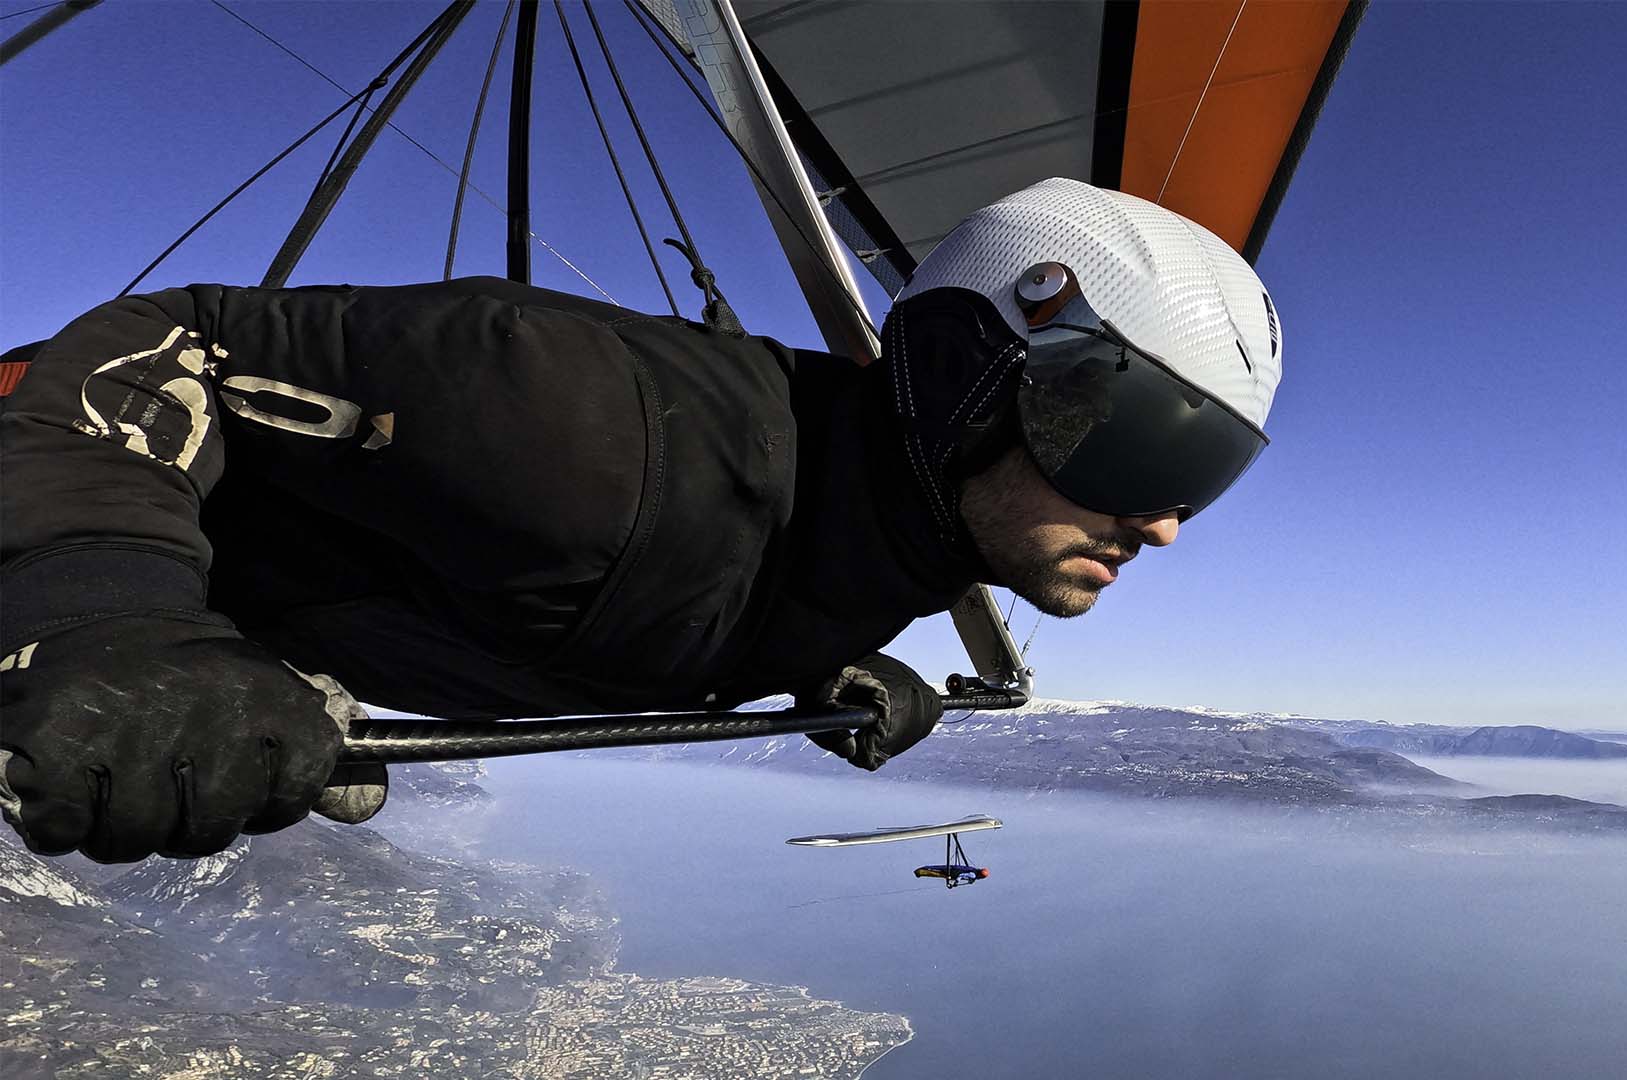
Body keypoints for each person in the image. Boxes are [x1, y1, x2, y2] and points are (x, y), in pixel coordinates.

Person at [0, 178, 1281, 863]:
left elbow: (715, 579)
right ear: (961, 381)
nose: (1160, 524)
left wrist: (820, 662)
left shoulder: (885, 546)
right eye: (1131, 444)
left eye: (1201, 475)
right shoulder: (573, 421)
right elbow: (172, 346)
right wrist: (103, 615)